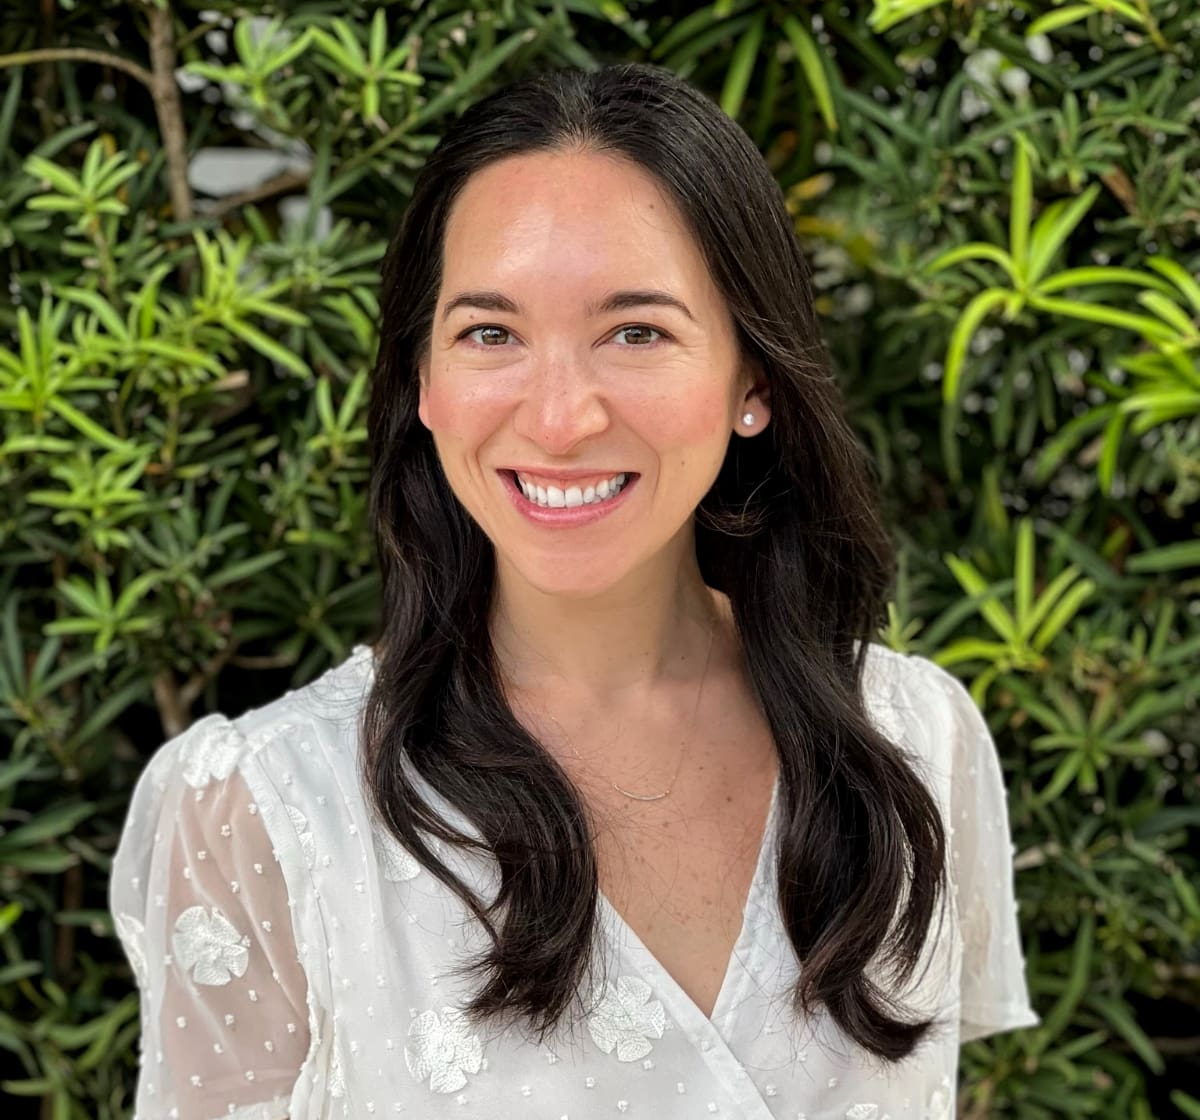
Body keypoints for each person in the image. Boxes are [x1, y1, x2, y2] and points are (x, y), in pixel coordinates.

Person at [110, 61, 1039, 1120]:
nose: (559, 419)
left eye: (635, 331)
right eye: (490, 333)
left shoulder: (914, 741)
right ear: (424, 380)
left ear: (755, 379)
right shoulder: (263, 808)